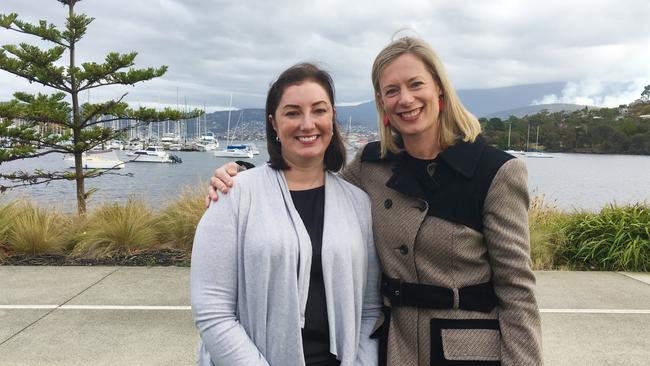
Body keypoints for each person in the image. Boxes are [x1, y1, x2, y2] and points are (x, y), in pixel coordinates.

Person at [208, 37, 543, 365]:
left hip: (468, 349)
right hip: (395, 347)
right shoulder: (372, 164)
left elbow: (517, 291)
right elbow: (315, 188)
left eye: (415, 84)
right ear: (381, 102)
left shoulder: (494, 171)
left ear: (439, 88)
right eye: (392, 91)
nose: (405, 99)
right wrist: (243, 173)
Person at [191, 63, 381, 366]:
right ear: (274, 124)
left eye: (319, 110)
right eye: (292, 112)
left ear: (332, 117)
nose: (308, 124)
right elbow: (212, 310)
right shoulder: (233, 195)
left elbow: (369, 309)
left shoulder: (358, 204)